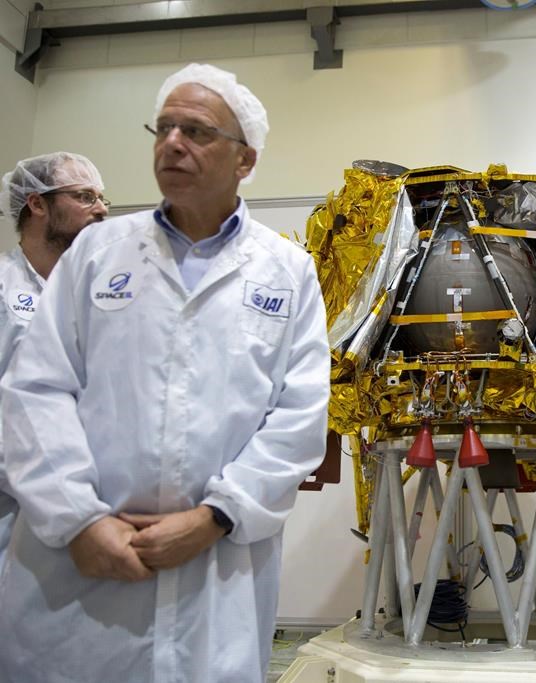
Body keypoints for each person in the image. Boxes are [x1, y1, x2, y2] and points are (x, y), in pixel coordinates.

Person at [0, 63, 330, 683]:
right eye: (165, 127)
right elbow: (36, 388)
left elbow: (300, 413)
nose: (173, 142)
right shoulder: (97, 255)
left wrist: (216, 516)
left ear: (245, 160)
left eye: (198, 131)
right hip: (80, 563)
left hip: (216, 564)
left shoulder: (286, 271)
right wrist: (78, 519)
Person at [0, 152, 108, 573]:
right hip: (10, 503)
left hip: (88, 501)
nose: (101, 209)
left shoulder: (102, 294)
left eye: (102, 198)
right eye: (84, 196)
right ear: (37, 203)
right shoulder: (4, 289)